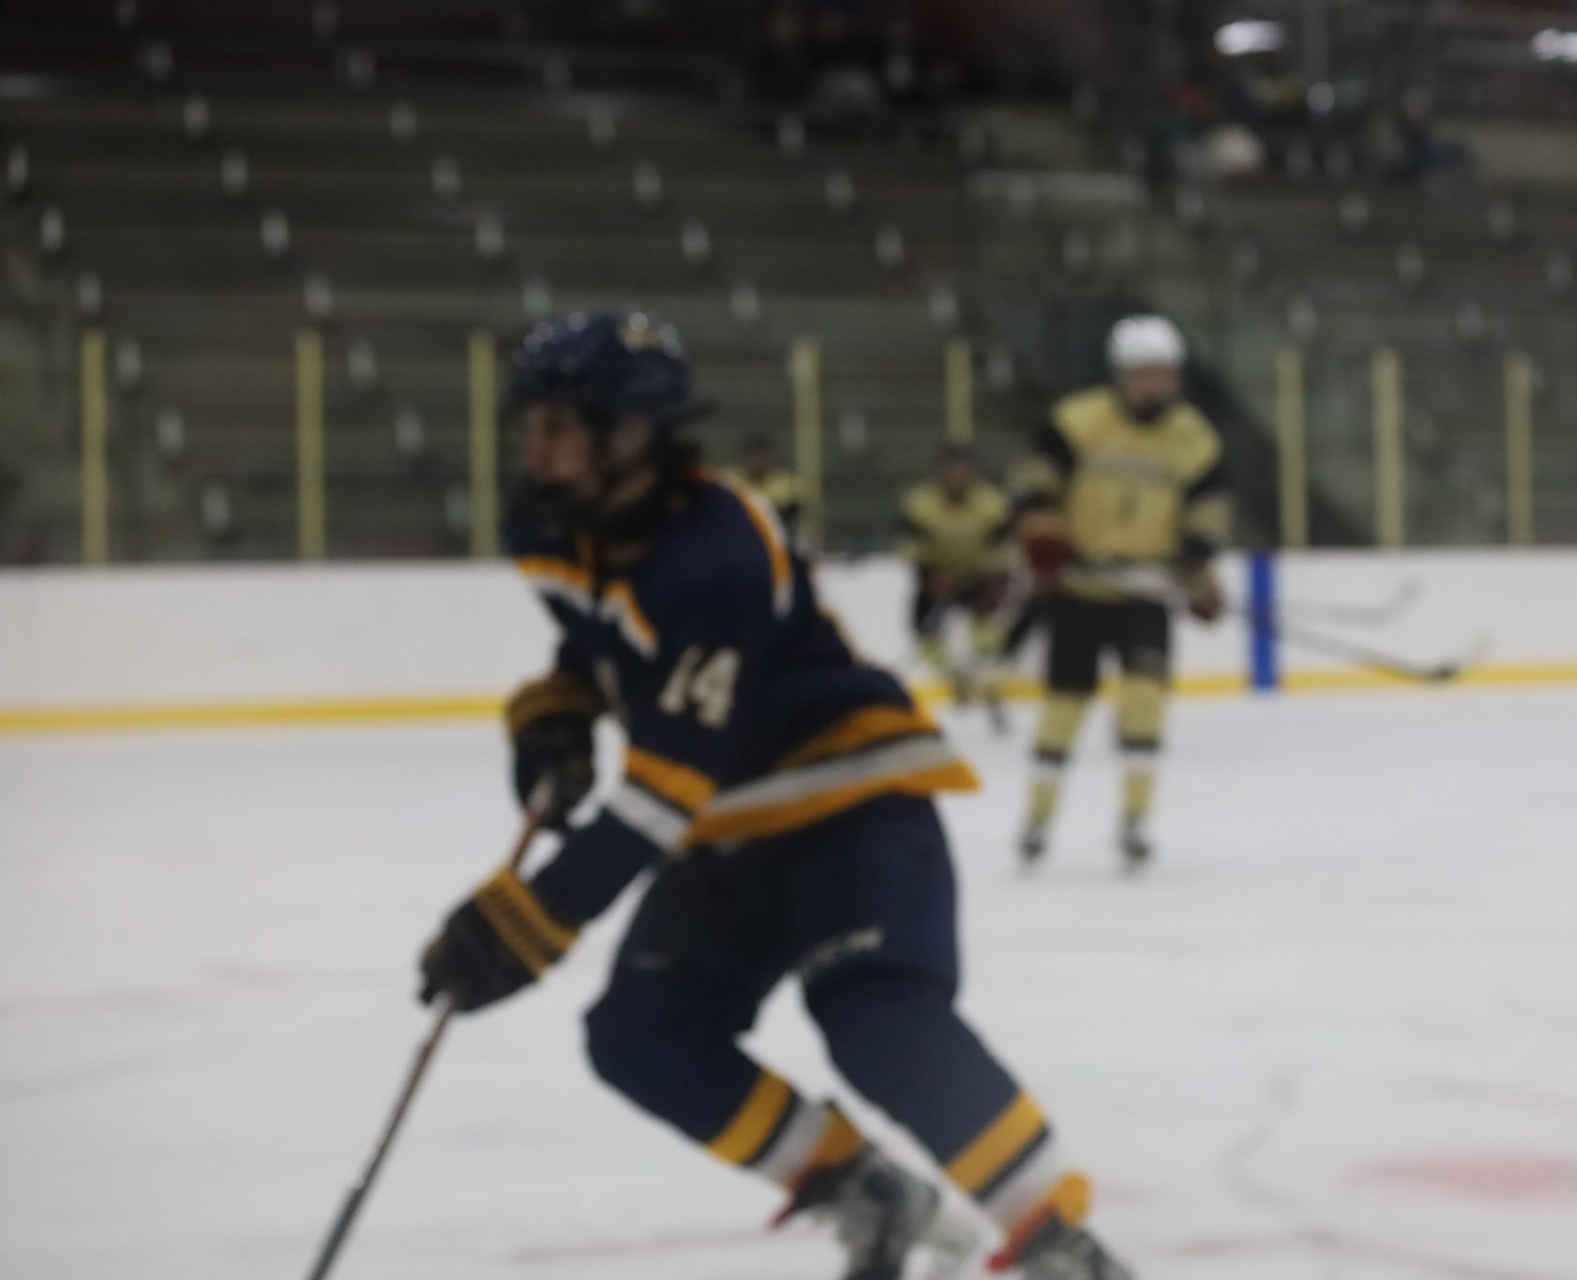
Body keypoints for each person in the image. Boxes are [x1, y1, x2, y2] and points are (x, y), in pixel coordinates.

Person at [418, 311, 1134, 1280]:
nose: (533, 449)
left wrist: (533, 919)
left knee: (876, 1017)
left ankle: (1063, 1242)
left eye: (558, 427)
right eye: (530, 426)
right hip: (728, 827)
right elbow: (604, 642)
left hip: (848, 804)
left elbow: (664, 786)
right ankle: (863, 1187)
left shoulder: (716, 555)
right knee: (641, 1036)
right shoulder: (548, 525)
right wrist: (560, 707)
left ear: (629, 433)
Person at [1009, 314, 1228, 872]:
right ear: (1122, 375)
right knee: (1063, 707)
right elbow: (1033, 486)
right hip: (1079, 589)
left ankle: (1135, 823)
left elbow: (1209, 508)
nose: (1156, 384)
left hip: (1146, 591)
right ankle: (1037, 821)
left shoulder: (1193, 438)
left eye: (1164, 374)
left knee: (1144, 705)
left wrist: (1197, 557)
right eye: (1145, 374)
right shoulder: (1077, 421)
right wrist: (1042, 531)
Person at [899, 443, 1015, 724]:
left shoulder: (992, 503)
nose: (957, 476)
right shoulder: (920, 503)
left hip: (980, 579)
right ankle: (953, 680)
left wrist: (980, 575)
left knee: (988, 633)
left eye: (963, 469)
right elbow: (910, 547)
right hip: (938, 579)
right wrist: (932, 576)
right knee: (926, 635)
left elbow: (1005, 552)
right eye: (951, 469)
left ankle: (988, 685)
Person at [727, 433, 803, 536]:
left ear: (771, 457)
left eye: (762, 456)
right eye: (754, 456)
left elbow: (788, 513)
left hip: (776, 533)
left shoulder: (786, 482)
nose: (758, 461)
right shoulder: (731, 480)